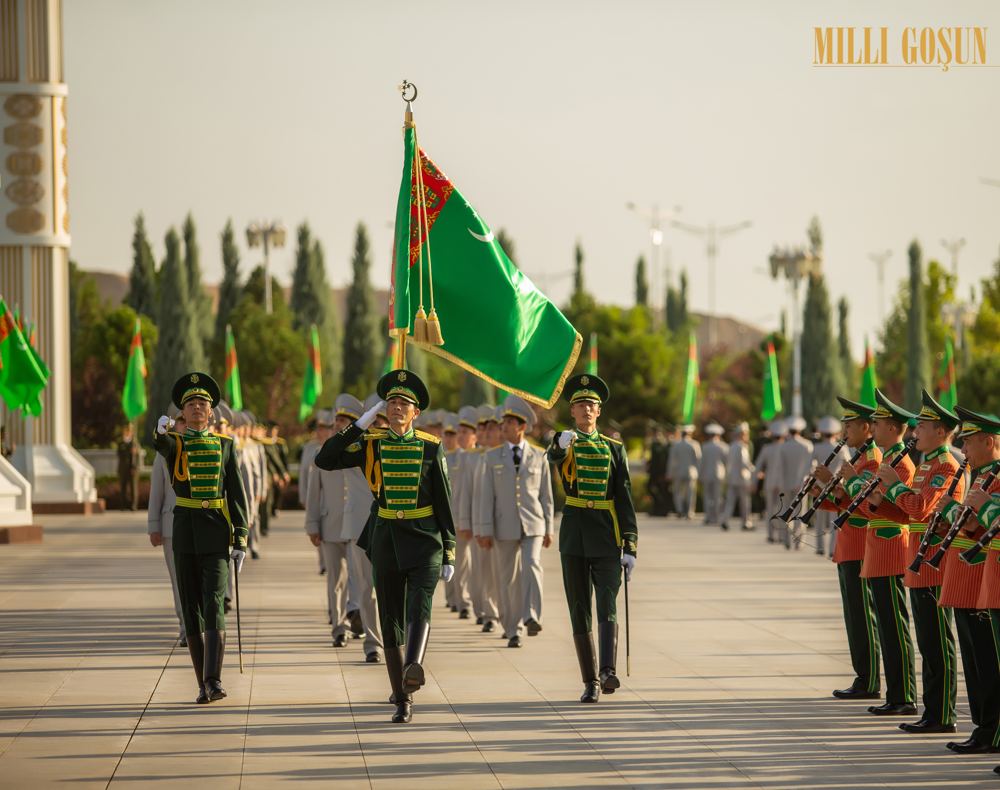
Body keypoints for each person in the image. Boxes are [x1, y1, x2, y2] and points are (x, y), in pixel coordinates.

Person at [315, 369, 455, 724]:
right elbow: (326, 459)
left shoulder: (431, 446)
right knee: (390, 617)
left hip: (424, 540)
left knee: (420, 606)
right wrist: (358, 425)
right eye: (391, 402)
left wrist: (449, 548)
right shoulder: (370, 443)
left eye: (403, 403)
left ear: (415, 412)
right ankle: (402, 699)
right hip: (386, 539)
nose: (396, 407)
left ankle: (414, 665)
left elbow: (444, 501)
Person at [154, 372, 249, 704]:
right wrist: (160, 427)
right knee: (192, 607)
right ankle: (202, 682)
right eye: (191, 404)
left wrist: (240, 540)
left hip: (216, 533)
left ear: (211, 412)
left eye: (202, 404)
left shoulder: (225, 446)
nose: (197, 408)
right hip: (184, 532)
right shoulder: (175, 443)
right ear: (183, 413)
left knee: (213, 603)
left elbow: (237, 494)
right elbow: (160, 444)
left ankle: (214, 678)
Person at [875, 390, 962, 734]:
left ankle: (942, 714)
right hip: (919, 558)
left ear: (940, 431)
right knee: (928, 640)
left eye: (923, 427)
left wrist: (895, 487)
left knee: (938, 642)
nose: (915, 433)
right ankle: (933, 712)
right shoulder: (929, 464)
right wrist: (883, 496)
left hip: (935, 563)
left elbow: (919, 508)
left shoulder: (946, 465)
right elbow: (911, 509)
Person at [547, 373, 638, 703]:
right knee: (579, 607)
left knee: (607, 602)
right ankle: (590, 680)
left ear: (599, 412)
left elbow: (624, 496)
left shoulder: (614, 448)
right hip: (574, 534)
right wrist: (559, 445)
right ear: (572, 411)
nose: (586, 409)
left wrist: (630, 545)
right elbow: (553, 458)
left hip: (606, 532)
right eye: (581, 404)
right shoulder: (564, 440)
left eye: (592, 405)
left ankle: (608, 670)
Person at [932, 405, 1000, 753]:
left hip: (981, 577)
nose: (965, 449)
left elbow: (988, 522)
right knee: (975, 663)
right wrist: (950, 513)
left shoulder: (995, 476)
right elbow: (974, 529)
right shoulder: (980, 475)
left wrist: (983, 506)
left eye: (970, 442)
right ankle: (983, 727)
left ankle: (991, 729)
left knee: (989, 663)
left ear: (989, 441)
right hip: (969, 574)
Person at [812, 397, 881, 700]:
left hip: (861, 545)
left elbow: (867, 507)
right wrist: (824, 489)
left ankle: (869, 679)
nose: (844, 432)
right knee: (853, 616)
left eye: (850, 426)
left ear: (867, 428)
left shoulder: (874, 460)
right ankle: (862, 676)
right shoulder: (858, 459)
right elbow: (843, 502)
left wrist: (842, 484)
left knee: (863, 615)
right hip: (848, 544)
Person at [855, 388, 918, 717]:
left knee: (895, 625)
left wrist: (883, 492)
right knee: (887, 624)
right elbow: (871, 509)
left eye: (878, 424)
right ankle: (896, 694)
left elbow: (905, 510)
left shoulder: (902, 464)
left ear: (893, 428)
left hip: (893, 548)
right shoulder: (890, 462)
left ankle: (904, 695)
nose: (873, 429)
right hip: (879, 548)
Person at [474, 395, 554, 647]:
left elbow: (546, 497)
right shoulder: (491, 457)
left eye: (509, 423)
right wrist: (484, 530)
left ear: (521, 426)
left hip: (533, 524)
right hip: (503, 525)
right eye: (503, 422)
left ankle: (531, 616)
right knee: (506, 578)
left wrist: (549, 528)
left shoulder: (540, 456)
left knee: (531, 564)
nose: (503, 427)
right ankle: (513, 629)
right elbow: (486, 498)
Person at [148, 408, 186, 645]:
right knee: (179, 582)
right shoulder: (164, 453)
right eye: (179, 421)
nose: (183, 425)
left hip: (202, 526)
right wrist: (154, 525)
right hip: (171, 525)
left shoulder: (212, 446)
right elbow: (157, 491)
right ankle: (186, 628)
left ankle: (202, 625)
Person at [448, 406, 478, 620]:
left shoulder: (482, 457)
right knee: (461, 563)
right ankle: (463, 601)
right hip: (457, 519)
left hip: (481, 518)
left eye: (465, 432)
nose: (461, 436)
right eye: (459, 432)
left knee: (479, 566)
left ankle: (478, 602)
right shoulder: (451, 458)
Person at [811, 416, 848, 557]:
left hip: (820, 485)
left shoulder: (817, 447)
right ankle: (833, 548)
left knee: (819, 518)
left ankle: (820, 547)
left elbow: (811, 467)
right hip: (836, 485)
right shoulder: (841, 448)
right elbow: (848, 466)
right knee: (835, 518)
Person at [779, 417, 813, 550]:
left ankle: (786, 539)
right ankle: (799, 541)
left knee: (786, 511)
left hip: (786, 483)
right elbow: (810, 467)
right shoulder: (807, 445)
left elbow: (781, 467)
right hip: (801, 483)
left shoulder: (784, 446)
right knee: (800, 512)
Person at [755, 420, 786, 543]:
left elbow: (758, 466)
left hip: (770, 482)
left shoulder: (767, 448)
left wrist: (754, 481)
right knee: (782, 509)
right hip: (783, 482)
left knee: (770, 509)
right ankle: (782, 535)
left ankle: (770, 534)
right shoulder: (786, 447)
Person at [722, 422, 754, 531]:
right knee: (745, 503)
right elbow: (745, 463)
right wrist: (755, 471)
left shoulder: (731, 446)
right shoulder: (742, 447)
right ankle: (746, 522)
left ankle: (725, 520)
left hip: (732, 478)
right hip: (742, 479)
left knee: (730, 501)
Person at [667, 425, 700, 519]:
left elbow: (671, 460)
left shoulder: (676, 445)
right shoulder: (694, 444)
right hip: (691, 472)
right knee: (690, 493)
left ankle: (680, 510)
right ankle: (689, 512)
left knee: (677, 492)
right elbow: (698, 459)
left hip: (678, 472)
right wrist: (698, 472)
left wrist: (669, 473)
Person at [699, 423, 728, 526]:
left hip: (707, 474)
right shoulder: (723, 446)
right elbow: (727, 461)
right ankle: (717, 517)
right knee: (718, 497)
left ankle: (708, 517)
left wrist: (700, 474)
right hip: (719, 475)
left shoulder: (705, 446)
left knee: (707, 497)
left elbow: (701, 462)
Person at [117, 423, 141, 511]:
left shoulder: (134, 443)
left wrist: (135, 467)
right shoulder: (121, 443)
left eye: (129, 431)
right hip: (123, 468)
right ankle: (123, 505)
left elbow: (137, 457)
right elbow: (119, 454)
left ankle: (133, 506)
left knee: (133, 488)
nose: (127, 432)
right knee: (123, 487)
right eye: (126, 431)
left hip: (132, 469)